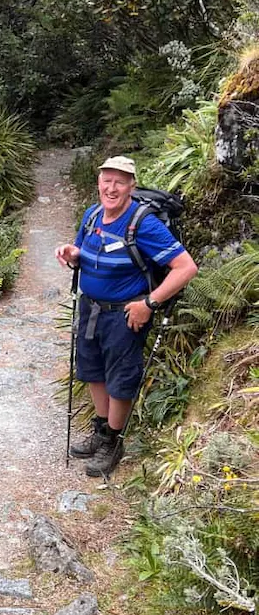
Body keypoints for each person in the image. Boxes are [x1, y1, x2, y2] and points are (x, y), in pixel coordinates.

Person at [55, 156, 197, 478]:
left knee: (120, 379)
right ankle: (101, 429)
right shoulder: (92, 215)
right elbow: (83, 252)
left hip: (125, 314)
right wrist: (72, 253)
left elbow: (186, 268)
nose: (111, 187)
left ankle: (113, 441)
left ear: (131, 185)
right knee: (93, 370)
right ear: (99, 183)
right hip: (90, 307)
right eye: (106, 180)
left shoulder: (143, 223)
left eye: (120, 181)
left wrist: (149, 303)